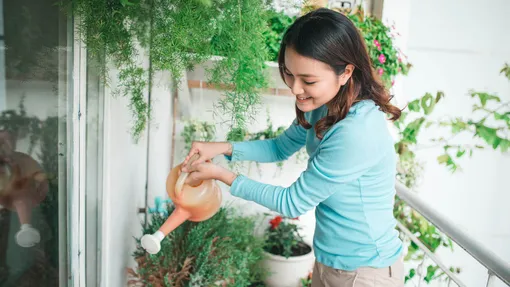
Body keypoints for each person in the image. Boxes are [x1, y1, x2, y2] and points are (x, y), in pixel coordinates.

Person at [182, 8, 404, 287]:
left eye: (308, 81)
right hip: (332, 262)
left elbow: (292, 203)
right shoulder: (326, 104)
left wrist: (219, 174)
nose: (295, 89)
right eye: (288, 73)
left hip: (366, 271)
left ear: (346, 72)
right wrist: (221, 148)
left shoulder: (356, 132)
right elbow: (280, 148)